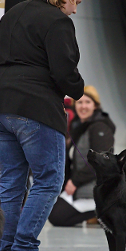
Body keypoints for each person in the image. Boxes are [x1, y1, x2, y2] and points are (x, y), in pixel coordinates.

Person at [0, 0, 86, 251]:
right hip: (33, 106)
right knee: (50, 179)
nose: (76, 9)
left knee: (12, 182)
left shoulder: (14, 12)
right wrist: (78, 88)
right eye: (76, 1)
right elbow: (65, 73)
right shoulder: (58, 21)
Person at [48, 86, 115, 227]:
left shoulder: (100, 127)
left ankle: (106, 209)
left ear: (95, 105)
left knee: (57, 216)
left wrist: (75, 182)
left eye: (87, 102)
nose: (83, 106)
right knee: (53, 213)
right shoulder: (78, 128)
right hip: (79, 187)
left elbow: (100, 160)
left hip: (93, 188)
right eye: (79, 102)